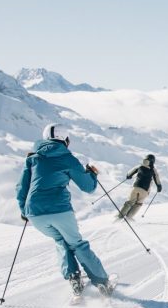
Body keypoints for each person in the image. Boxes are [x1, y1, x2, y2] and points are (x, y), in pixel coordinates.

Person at [16, 124, 112, 296]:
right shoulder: (68, 158)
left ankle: (74, 280)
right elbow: (88, 187)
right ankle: (102, 282)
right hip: (59, 209)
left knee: (61, 241)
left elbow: (21, 188)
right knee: (77, 244)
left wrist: (24, 210)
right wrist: (92, 174)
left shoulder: (33, 159)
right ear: (65, 140)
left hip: (35, 213)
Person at [118, 154, 162, 220]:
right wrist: (159, 187)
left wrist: (129, 176)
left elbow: (129, 174)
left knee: (129, 202)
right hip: (145, 190)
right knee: (138, 204)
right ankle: (128, 218)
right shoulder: (153, 170)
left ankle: (119, 217)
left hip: (135, 187)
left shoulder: (140, 166)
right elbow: (157, 180)